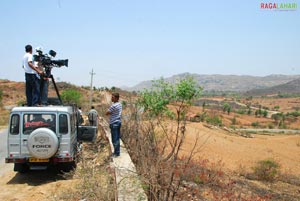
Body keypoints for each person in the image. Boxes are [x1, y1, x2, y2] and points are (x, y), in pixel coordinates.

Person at [106, 93, 122, 157]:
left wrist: (109, 111)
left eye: (113, 97)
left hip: (114, 123)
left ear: (116, 98)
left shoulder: (114, 106)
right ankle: (117, 152)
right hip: (118, 122)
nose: (111, 98)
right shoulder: (120, 104)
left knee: (114, 139)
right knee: (117, 138)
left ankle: (116, 153)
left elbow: (107, 113)